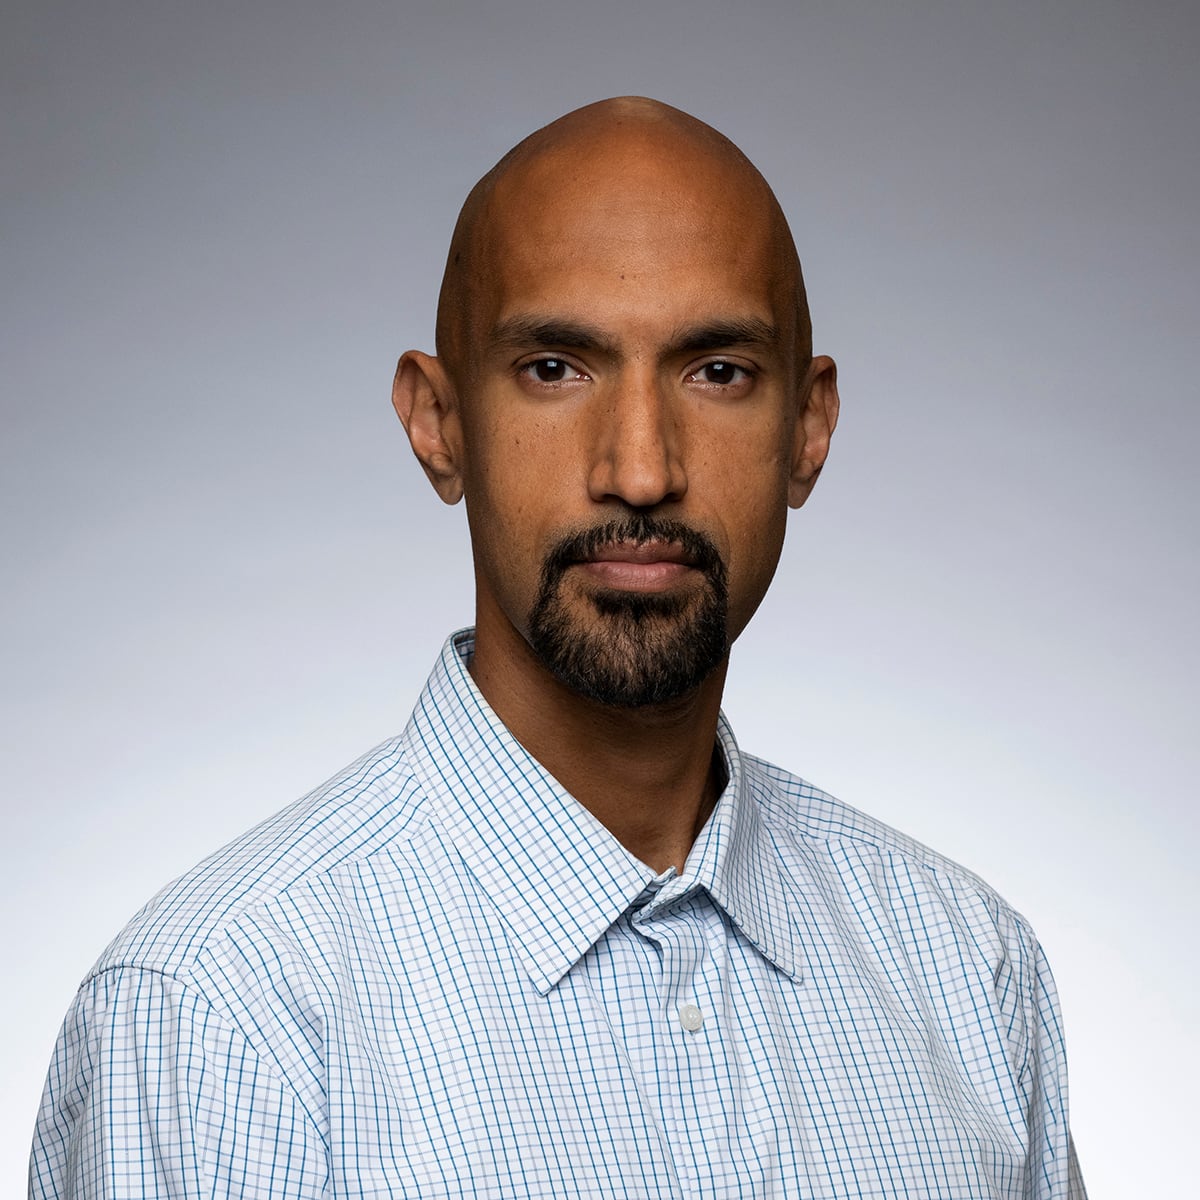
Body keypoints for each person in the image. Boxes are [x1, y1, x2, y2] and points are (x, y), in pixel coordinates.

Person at [30, 97, 1086, 1198]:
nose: (640, 469)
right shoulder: (217, 1016)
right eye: (554, 367)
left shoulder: (972, 972)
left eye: (717, 370)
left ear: (807, 431)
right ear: (438, 425)